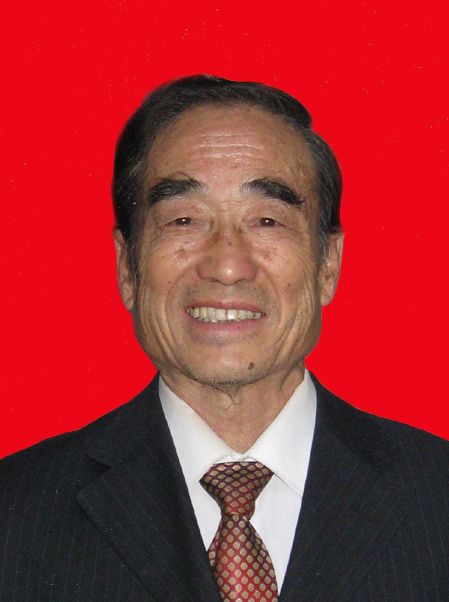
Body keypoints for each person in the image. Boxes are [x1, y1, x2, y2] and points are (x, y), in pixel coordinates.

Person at [0, 75, 448, 602]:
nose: (227, 265)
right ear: (127, 268)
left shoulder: (436, 496)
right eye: (184, 220)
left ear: (328, 264)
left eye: (266, 220)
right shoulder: (15, 513)